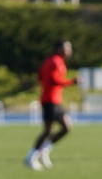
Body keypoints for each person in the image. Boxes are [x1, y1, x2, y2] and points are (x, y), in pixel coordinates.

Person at [25, 41, 77, 171]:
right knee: (65, 127)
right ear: (59, 49)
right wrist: (72, 82)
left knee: (50, 130)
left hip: (50, 99)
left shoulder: (50, 60)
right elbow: (53, 79)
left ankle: (40, 152)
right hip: (51, 100)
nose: (69, 50)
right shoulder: (55, 62)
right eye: (67, 48)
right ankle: (34, 155)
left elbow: (40, 77)